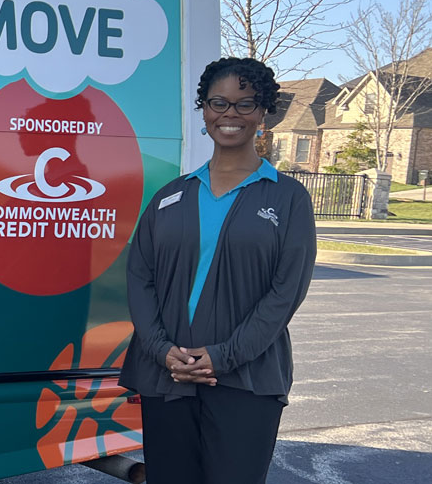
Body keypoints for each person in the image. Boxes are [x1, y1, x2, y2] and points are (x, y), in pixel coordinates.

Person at [120, 57, 317, 483]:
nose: (230, 114)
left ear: (263, 111)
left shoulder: (287, 198)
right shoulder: (171, 196)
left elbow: (285, 294)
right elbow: (140, 276)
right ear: (204, 110)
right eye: (218, 103)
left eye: (245, 104)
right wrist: (159, 349)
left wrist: (223, 356)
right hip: (167, 375)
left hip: (245, 380)